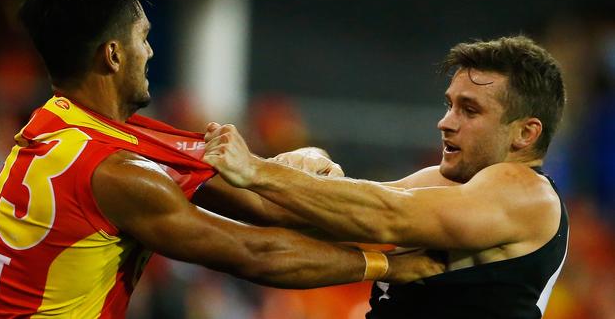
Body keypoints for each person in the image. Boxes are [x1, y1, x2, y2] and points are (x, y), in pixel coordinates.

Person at [0, 0, 444, 318]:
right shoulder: (117, 173)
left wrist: (296, 167)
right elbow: (256, 253)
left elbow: (261, 204)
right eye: (143, 37)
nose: (150, 51)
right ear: (113, 55)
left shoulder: (58, 127)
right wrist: (389, 266)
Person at [203, 35, 569, 318]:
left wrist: (256, 169)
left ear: (526, 133)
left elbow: (387, 216)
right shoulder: (446, 185)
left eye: (469, 110)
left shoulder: (528, 195)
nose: (445, 122)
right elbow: (288, 212)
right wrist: (171, 170)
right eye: (450, 105)